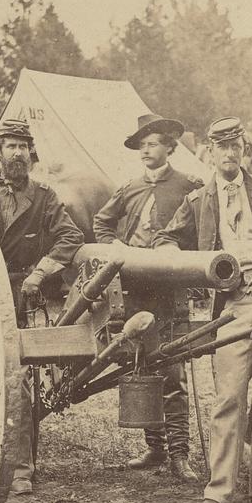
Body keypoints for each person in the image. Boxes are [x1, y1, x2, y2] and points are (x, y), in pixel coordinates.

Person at [153, 117, 252, 503]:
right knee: (229, 395)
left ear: (244, 149)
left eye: (235, 146)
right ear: (209, 152)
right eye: (221, 148)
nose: (229, 154)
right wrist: (180, 263)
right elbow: (166, 239)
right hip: (233, 306)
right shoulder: (198, 202)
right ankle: (220, 488)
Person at [0, 118, 84, 495]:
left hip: (23, 294)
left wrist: (41, 273)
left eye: (23, 147)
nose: (17, 153)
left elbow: (71, 236)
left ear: (31, 154)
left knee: (21, 381)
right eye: (10, 146)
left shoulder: (44, 196)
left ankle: (21, 468)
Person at [93, 113, 203, 483]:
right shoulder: (129, 188)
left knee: (172, 370)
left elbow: (204, 230)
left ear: (170, 147)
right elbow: (101, 224)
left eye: (152, 143)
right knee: (141, 364)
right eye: (141, 145)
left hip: (171, 290)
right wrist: (117, 249)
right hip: (137, 289)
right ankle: (155, 447)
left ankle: (179, 455)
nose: (146, 150)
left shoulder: (190, 186)